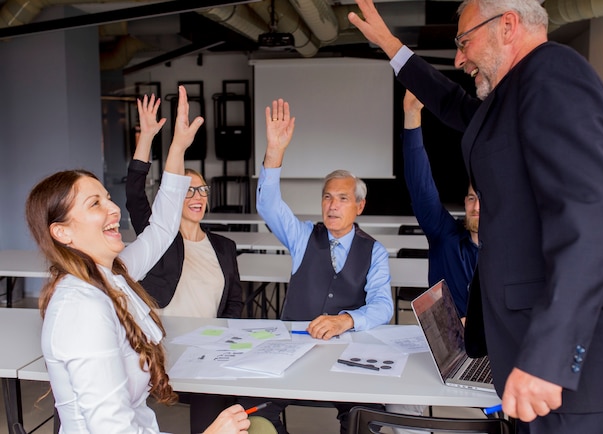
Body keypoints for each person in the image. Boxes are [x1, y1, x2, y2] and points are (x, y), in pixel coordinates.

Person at [348, 0, 603, 433]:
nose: (460, 58)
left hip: (572, 381)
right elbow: (451, 102)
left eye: (464, 41)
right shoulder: (514, 95)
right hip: (527, 361)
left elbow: (594, 221)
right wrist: (390, 45)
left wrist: (550, 359)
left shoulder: (552, 77)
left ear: (508, 25)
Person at [25, 86, 251, 434]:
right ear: (62, 233)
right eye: (94, 204)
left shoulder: (110, 275)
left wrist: (176, 148)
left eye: (107, 197)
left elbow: (162, 227)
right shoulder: (81, 307)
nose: (114, 208)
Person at [239, 98, 394, 434]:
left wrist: (346, 320)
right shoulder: (303, 236)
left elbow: (383, 306)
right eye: (327, 197)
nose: (332, 205)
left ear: (360, 206)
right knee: (253, 416)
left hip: (347, 352)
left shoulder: (375, 251)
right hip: (291, 349)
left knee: (368, 419)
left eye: (342, 198)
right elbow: (268, 206)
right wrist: (275, 151)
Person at [125, 94, 245, 433]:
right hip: (165, 345)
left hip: (207, 346)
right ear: (173, 196)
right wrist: (146, 139)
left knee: (226, 389)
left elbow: (235, 302)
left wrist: (222, 339)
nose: (197, 197)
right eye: (188, 191)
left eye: (202, 191)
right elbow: (135, 195)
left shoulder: (224, 246)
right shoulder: (158, 238)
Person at [386, 90, 480, 430]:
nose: (476, 206)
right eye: (471, 197)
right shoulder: (446, 236)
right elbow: (421, 186)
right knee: (399, 397)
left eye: (484, 198)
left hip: (494, 350)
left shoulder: (511, 251)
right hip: (441, 348)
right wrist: (412, 117)